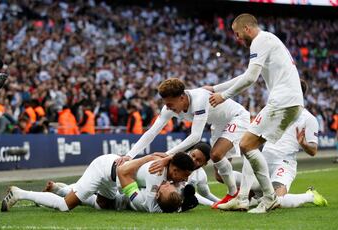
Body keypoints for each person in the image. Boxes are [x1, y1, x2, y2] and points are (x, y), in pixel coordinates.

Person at [208, 13, 304, 213]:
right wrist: (215, 88)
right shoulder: (268, 40)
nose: (237, 39)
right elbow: (246, 75)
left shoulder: (260, 41)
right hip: (290, 101)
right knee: (249, 145)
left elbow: (251, 78)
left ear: (247, 29)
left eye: (237, 34)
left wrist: (223, 96)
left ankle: (268, 197)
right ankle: (243, 198)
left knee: (245, 144)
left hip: (283, 101)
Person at [117, 78, 252, 207]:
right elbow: (152, 132)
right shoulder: (168, 108)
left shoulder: (199, 100)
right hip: (218, 125)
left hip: (236, 117)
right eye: (165, 104)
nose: (168, 108)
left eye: (170, 104)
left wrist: (167, 155)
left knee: (216, 154)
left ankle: (234, 195)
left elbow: (195, 137)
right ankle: (254, 189)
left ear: (182, 98)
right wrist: (130, 155)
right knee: (219, 176)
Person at [218, 80, 327, 211]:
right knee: (221, 174)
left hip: (283, 163)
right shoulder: (274, 112)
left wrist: (303, 143)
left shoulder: (309, 119)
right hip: (263, 159)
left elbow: (313, 150)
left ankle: (309, 196)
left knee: (278, 201)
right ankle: (253, 198)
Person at [1, 152, 194, 213]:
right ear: (175, 170)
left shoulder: (168, 170)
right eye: (183, 176)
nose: (183, 181)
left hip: (113, 177)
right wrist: (149, 157)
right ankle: (20, 193)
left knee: (103, 205)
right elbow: (152, 206)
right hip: (104, 169)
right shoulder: (156, 173)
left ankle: (62, 189)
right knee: (64, 207)